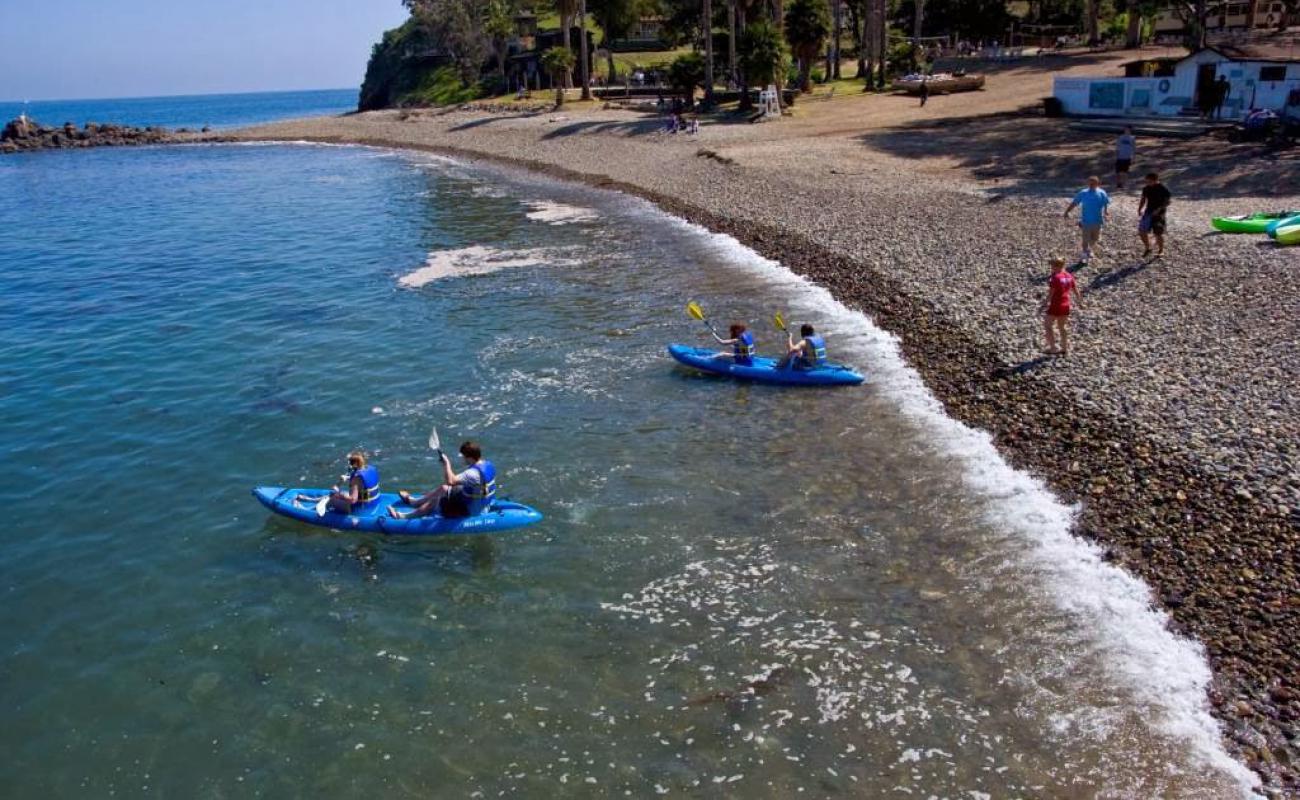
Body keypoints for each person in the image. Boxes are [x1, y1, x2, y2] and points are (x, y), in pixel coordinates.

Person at [390, 441, 496, 520]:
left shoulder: (473, 474)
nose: (463, 459)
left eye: (464, 457)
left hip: (471, 509)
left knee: (436, 500)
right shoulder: (488, 464)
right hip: (481, 502)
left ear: (470, 457)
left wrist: (446, 463)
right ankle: (414, 502)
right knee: (444, 489)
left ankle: (404, 516)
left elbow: (451, 481)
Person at [299, 451, 380, 514]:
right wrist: (348, 478)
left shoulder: (357, 478)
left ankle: (305, 510)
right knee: (335, 494)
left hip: (359, 508)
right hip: (373, 503)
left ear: (355, 464)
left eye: (351, 463)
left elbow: (353, 500)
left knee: (332, 498)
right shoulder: (371, 468)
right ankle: (312, 499)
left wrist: (340, 494)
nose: (350, 465)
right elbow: (364, 484)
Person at [1063, 175, 1111, 266]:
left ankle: (1089, 250)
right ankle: (1084, 257)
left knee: (1095, 239)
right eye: (1090, 182)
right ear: (1088, 183)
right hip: (1086, 221)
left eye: (1093, 183)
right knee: (1085, 240)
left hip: (1098, 220)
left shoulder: (1102, 193)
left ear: (1097, 183)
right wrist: (1067, 211)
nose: (1091, 184)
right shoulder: (1083, 193)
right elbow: (1075, 202)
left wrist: (1106, 211)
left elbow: (1105, 202)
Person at [1043, 256, 1082, 356]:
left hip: (1056, 304)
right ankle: (1064, 348)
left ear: (1056, 266)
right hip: (1066, 304)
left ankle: (1053, 348)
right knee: (1062, 327)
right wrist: (1079, 302)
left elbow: (1050, 294)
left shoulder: (1055, 278)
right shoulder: (1069, 276)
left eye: (1052, 266)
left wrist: (1044, 304)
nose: (1051, 268)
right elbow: (1076, 290)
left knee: (1048, 325)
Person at [1137, 171, 1171, 259]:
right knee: (1141, 231)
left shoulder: (1163, 189)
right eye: (1147, 181)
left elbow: (1168, 201)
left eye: (1149, 181)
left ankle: (1161, 250)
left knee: (1158, 233)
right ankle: (1148, 248)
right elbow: (1143, 199)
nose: (1148, 183)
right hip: (1148, 212)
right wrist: (1140, 208)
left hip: (1159, 214)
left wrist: (1159, 209)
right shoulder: (1146, 188)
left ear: (1156, 180)